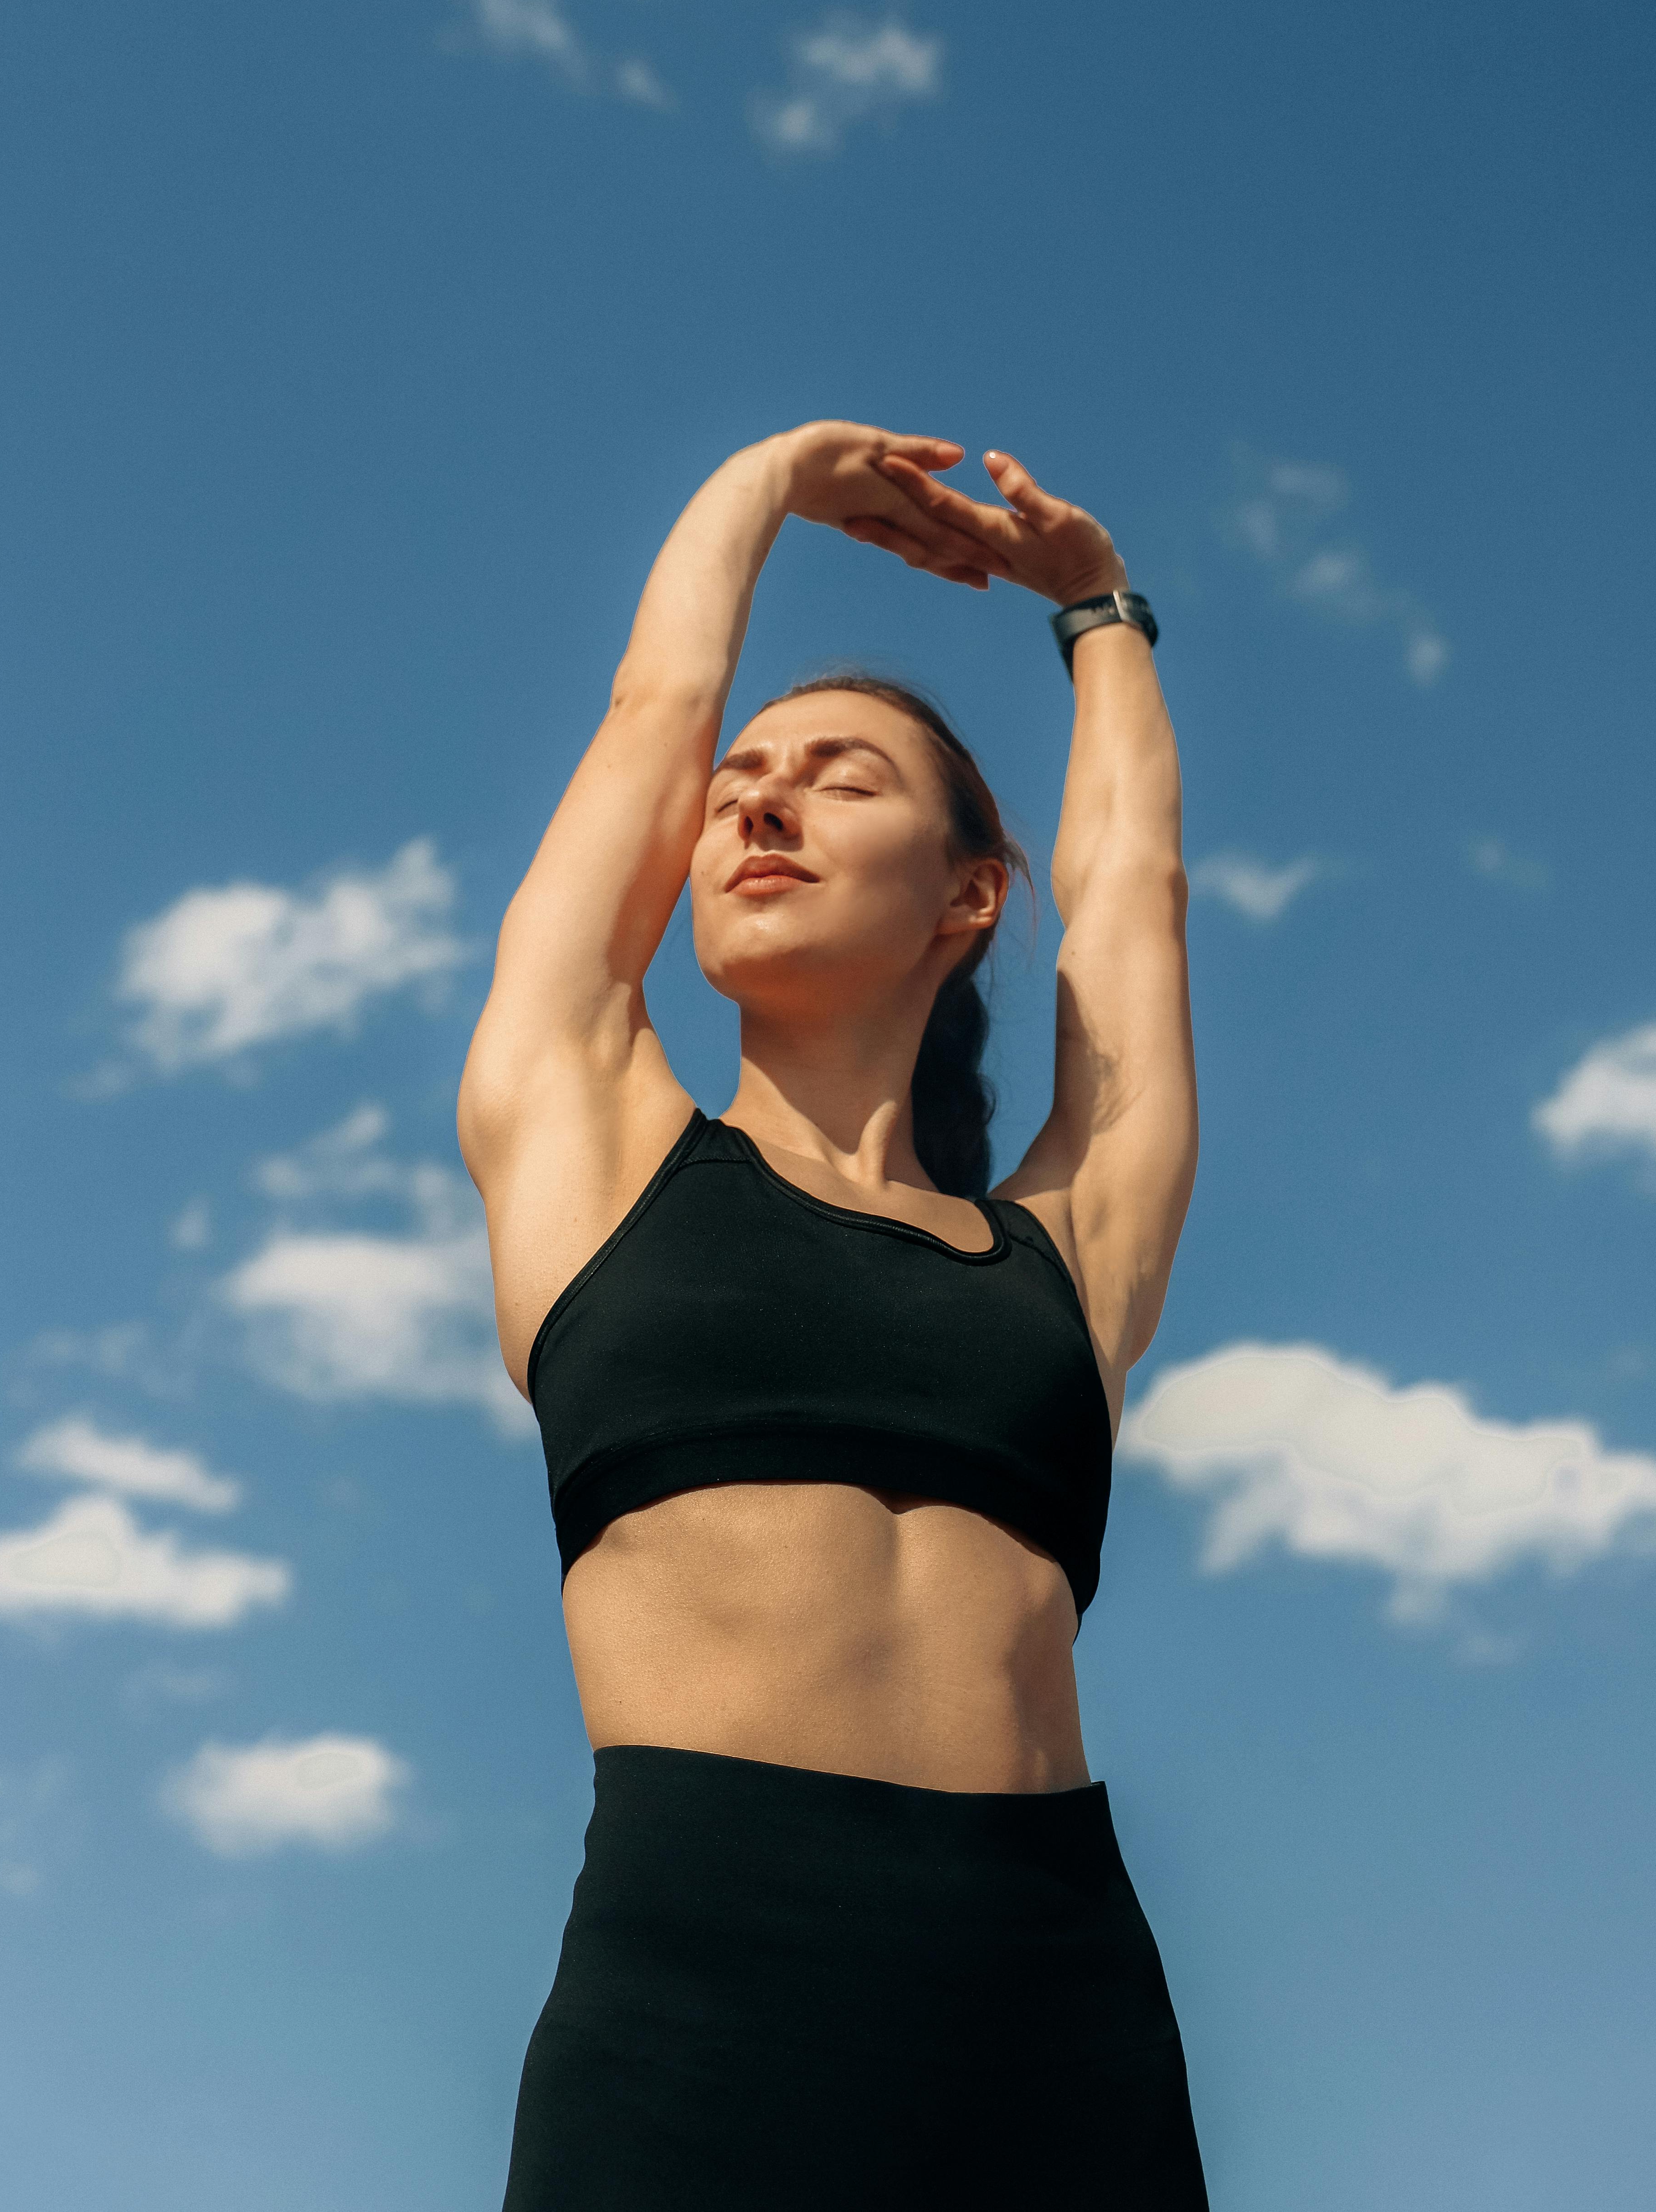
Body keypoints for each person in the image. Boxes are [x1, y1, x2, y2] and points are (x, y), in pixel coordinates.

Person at [458, 421, 1207, 2209]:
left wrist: (1097, 607)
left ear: (969, 894)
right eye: (744, 782)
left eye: (840, 779)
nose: (756, 802)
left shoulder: (1065, 1248)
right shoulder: (591, 1143)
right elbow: (656, 720)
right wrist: (765, 486)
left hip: (1056, 2006)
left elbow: (1130, 906)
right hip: (696, 2001)